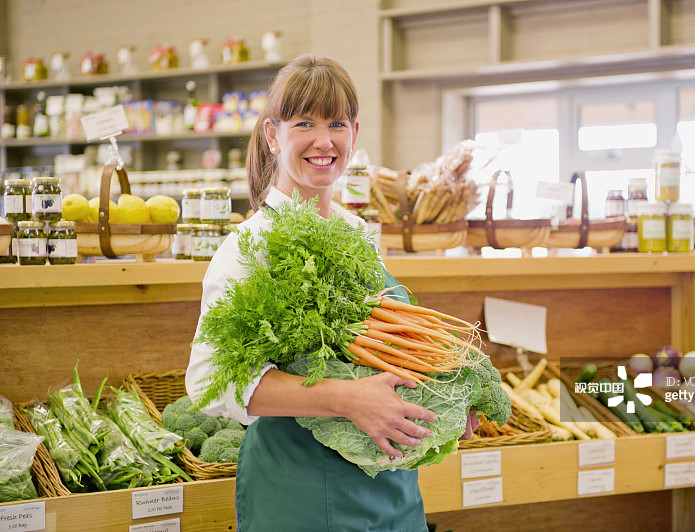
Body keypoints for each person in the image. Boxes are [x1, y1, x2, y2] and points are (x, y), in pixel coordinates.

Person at [186, 54, 478, 532]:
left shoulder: (359, 234)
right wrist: (348, 400)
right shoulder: (249, 247)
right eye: (305, 123)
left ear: (355, 135)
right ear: (273, 136)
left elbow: (379, 352)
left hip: (393, 495)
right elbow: (206, 381)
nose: (324, 141)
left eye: (336, 123)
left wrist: (442, 397)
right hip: (299, 495)